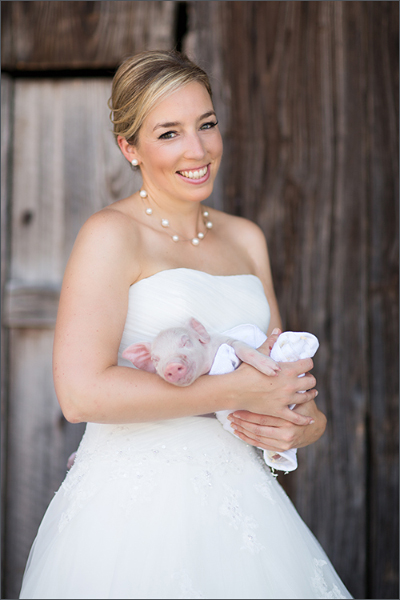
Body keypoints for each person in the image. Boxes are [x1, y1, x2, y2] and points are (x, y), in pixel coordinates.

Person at [20, 50, 351, 599]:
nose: (198, 151)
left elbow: (278, 375)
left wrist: (306, 424)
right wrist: (235, 389)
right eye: (169, 133)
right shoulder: (111, 235)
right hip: (135, 509)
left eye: (207, 125)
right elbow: (80, 393)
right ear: (130, 148)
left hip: (244, 506)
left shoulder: (247, 238)